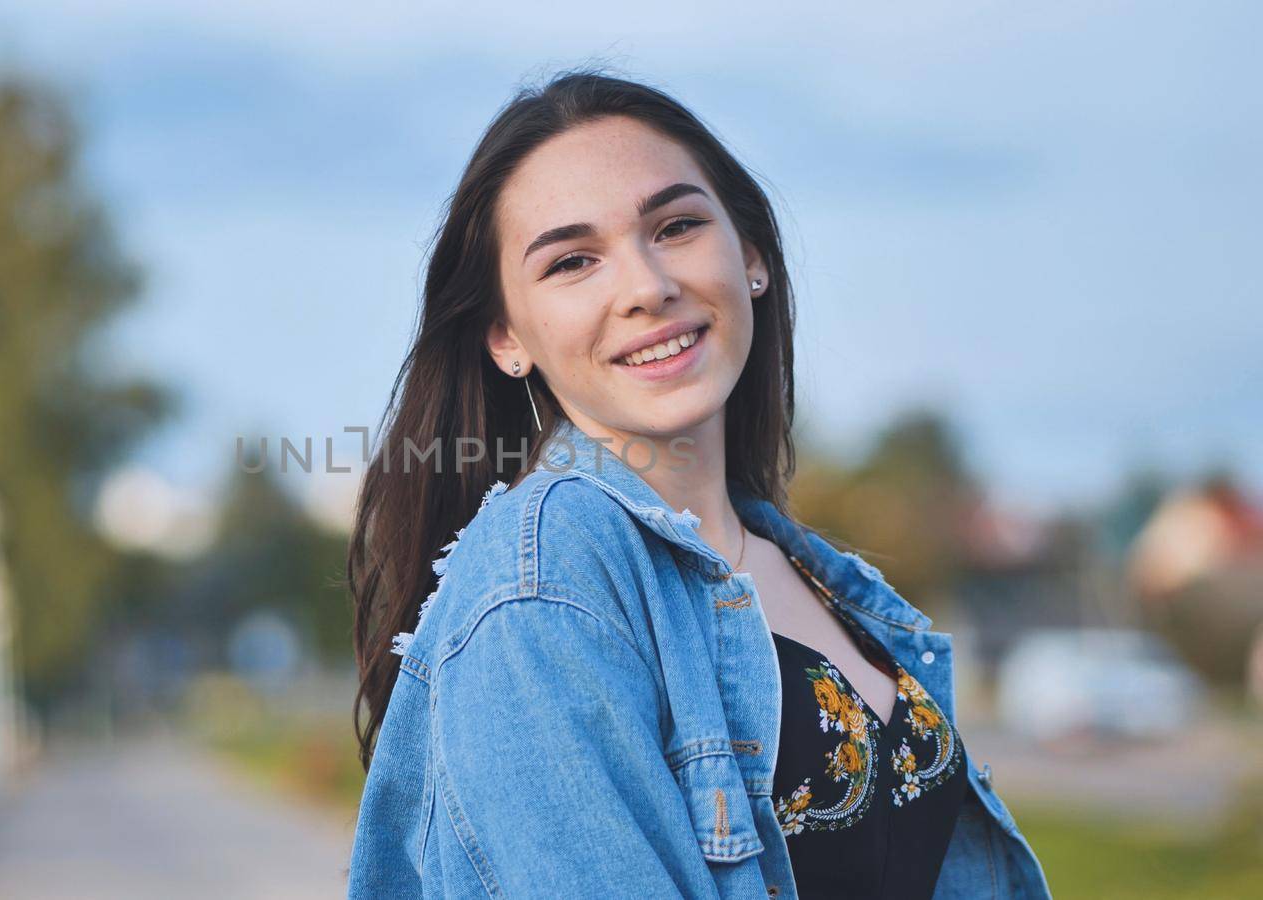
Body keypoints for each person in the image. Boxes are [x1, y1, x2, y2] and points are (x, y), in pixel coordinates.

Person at [345, 68, 1051, 899]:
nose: (647, 287)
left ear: (749, 255)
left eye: (676, 226)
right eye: (573, 262)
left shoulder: (814, 572)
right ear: (506, 336)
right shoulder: (544, 577)